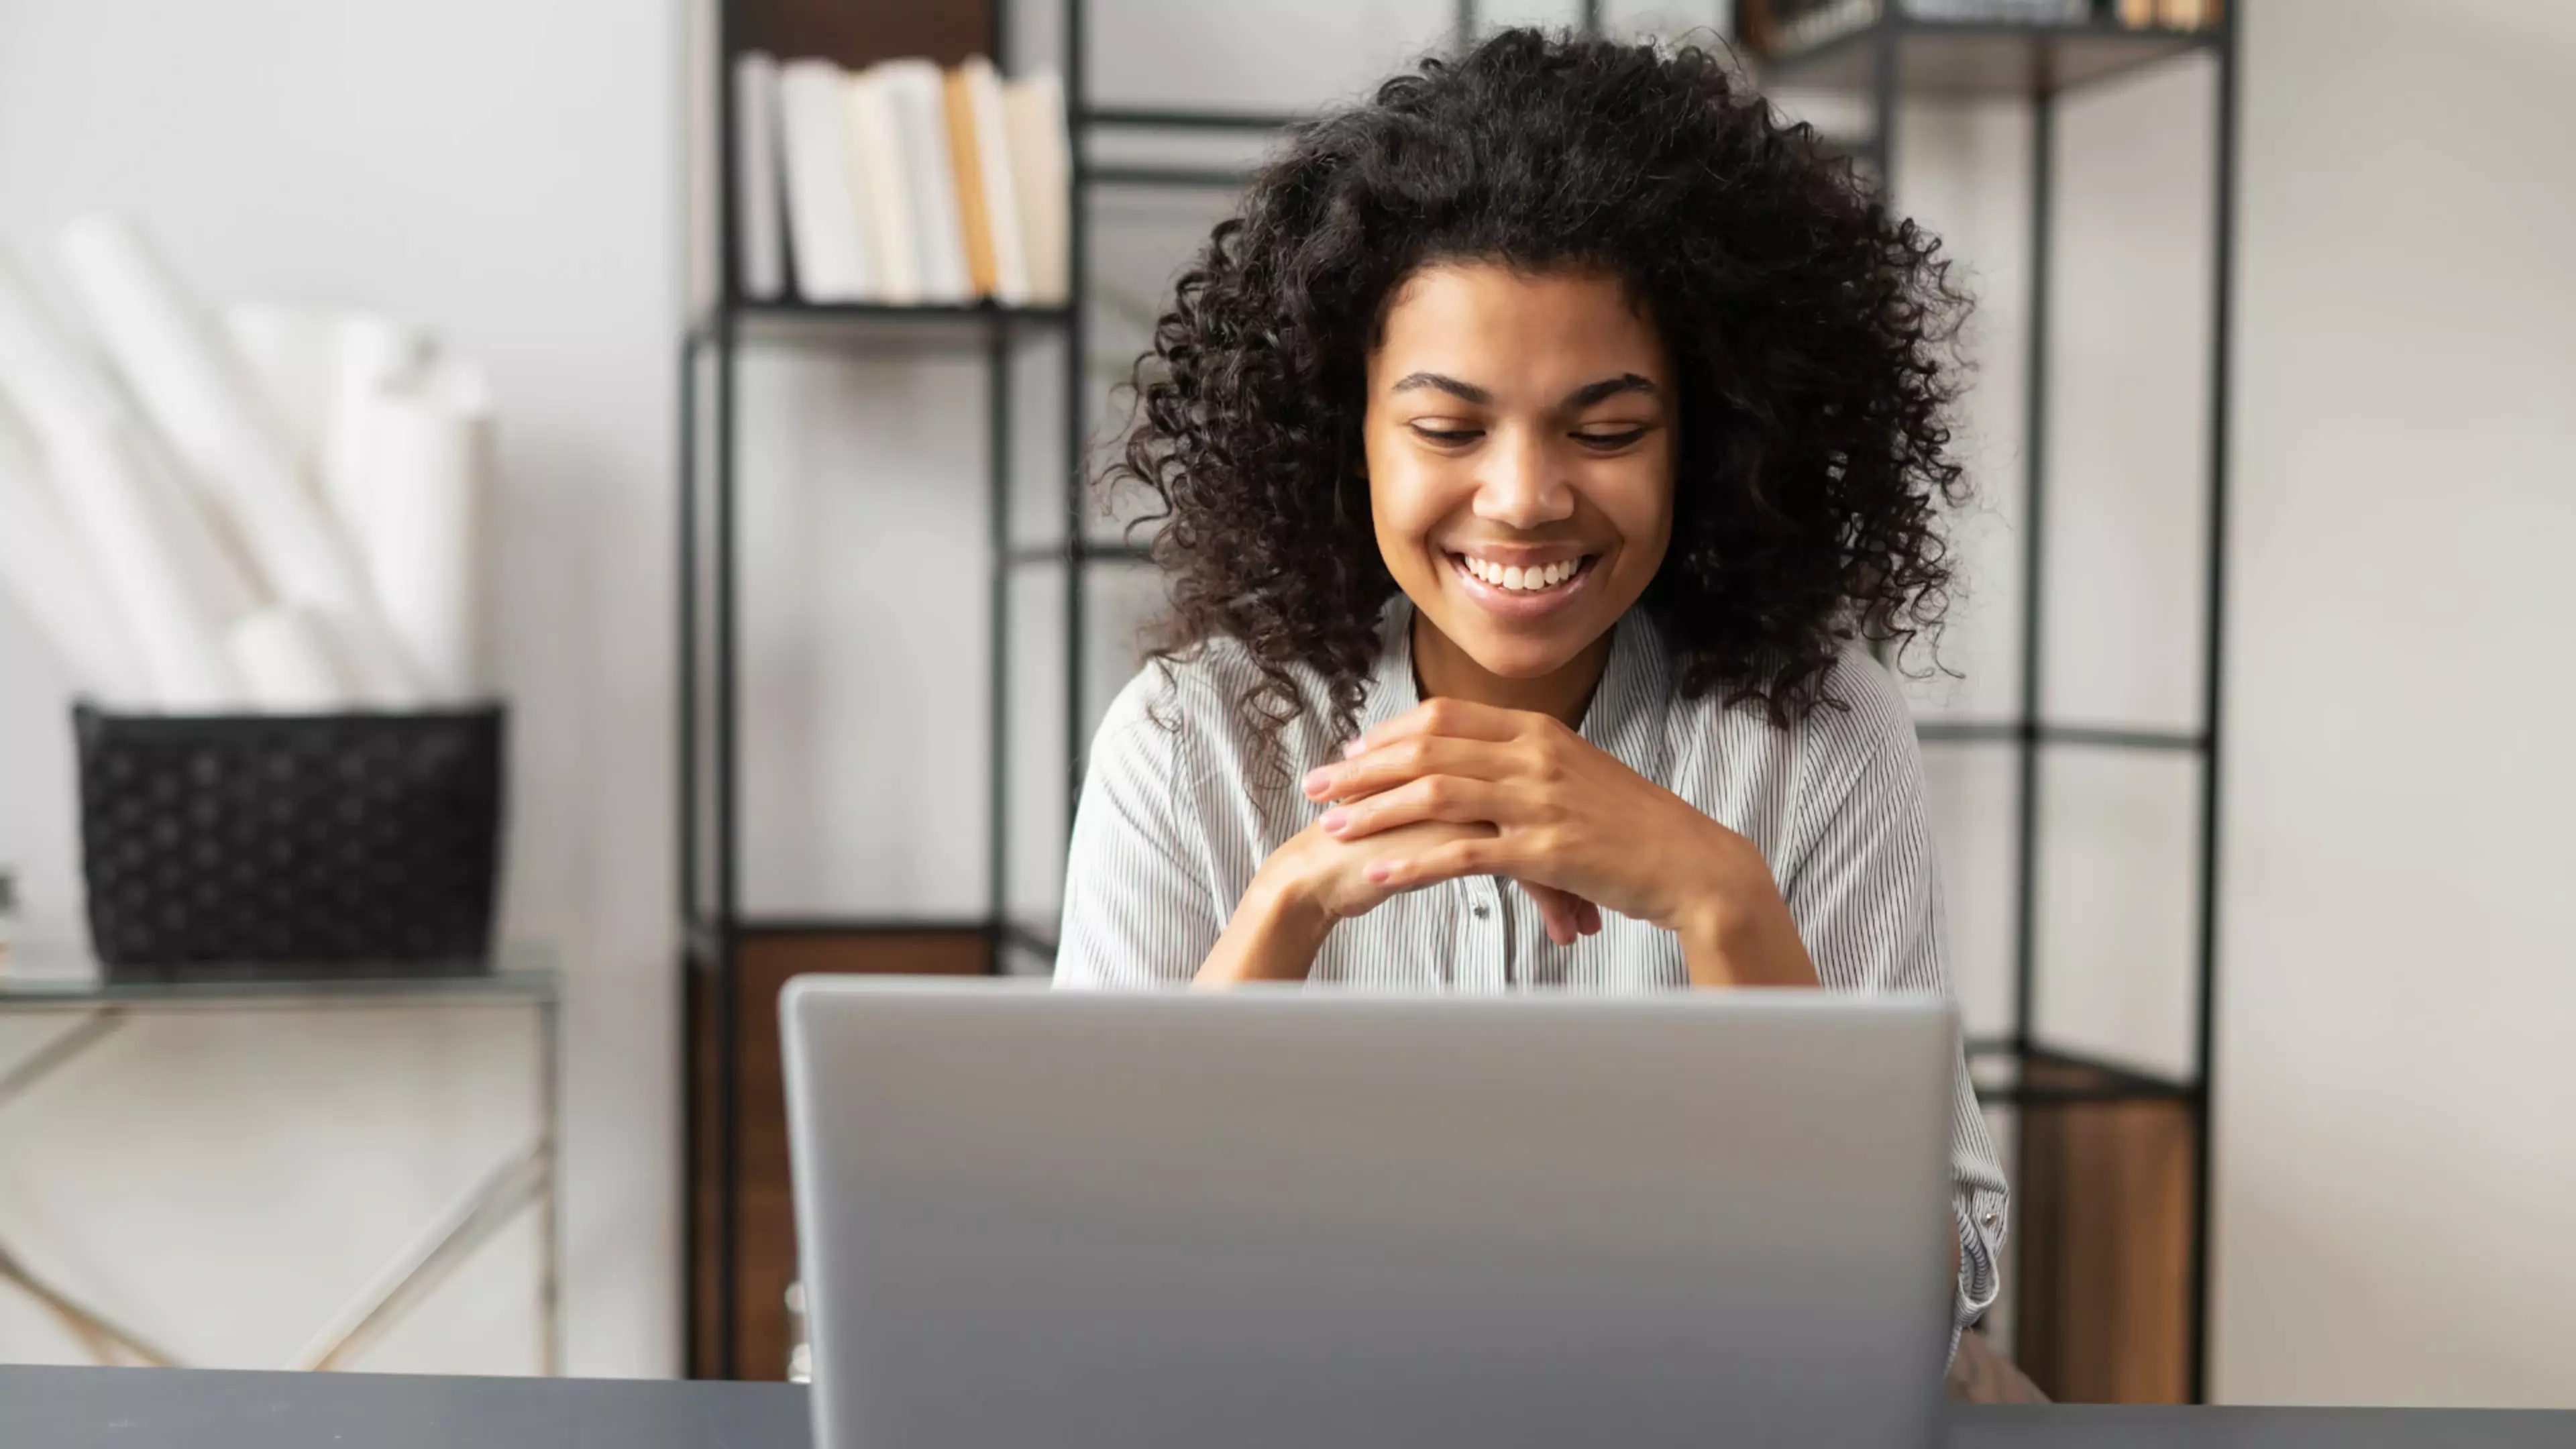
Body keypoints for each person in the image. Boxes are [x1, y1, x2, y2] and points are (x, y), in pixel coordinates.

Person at [1053, 27, 2007, 1352]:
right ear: (1351, 436)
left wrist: (1721, 900)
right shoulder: (1192, 737)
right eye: (1448, 429)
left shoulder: (1819, 731)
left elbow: (1918, 1308)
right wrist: (1289, 903)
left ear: (1708, 435)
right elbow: (1080, 1283)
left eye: (1607, 430)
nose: (1524, 499)